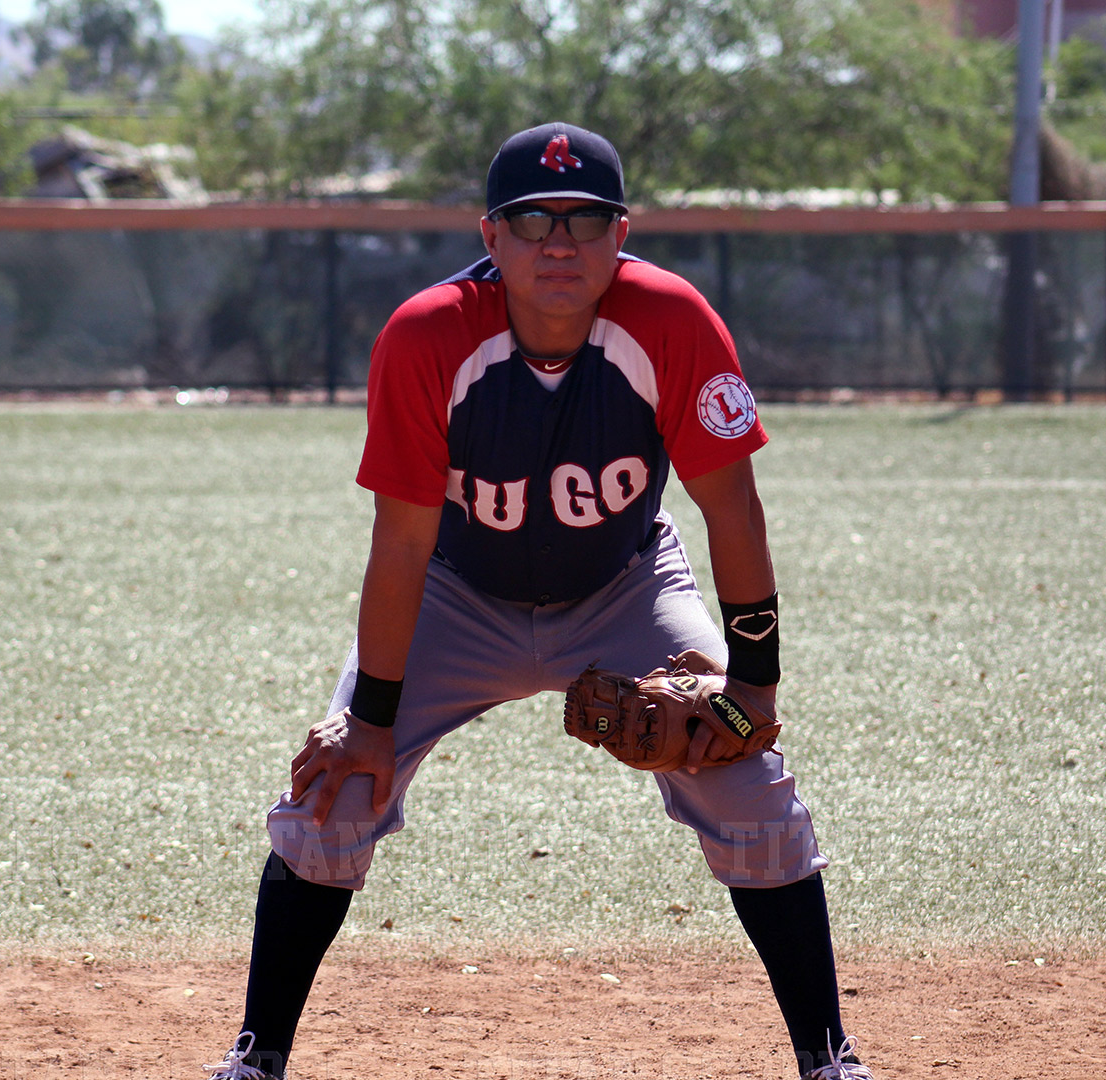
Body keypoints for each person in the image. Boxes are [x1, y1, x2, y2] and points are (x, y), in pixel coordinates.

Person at [204, 122, 872, 1080]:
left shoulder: (671, 319)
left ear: (621, 233)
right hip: (454, 592)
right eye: (532, 221)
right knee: (335, 796)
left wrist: (753, 686)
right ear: (491, 235)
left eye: (585, 219)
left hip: (626, 585)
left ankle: (829, 1059)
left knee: (747, 787)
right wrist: (373, 720)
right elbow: (402, 543)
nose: (559, 243)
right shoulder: (428, 334)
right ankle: (256, 1058)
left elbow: (732, 507)